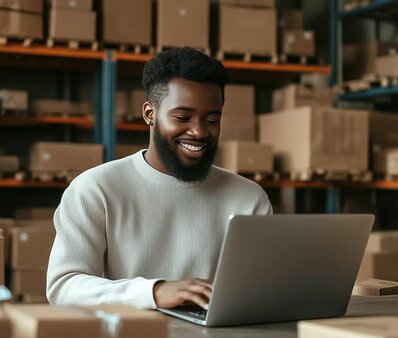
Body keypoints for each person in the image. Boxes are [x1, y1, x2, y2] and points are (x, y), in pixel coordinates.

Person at [46, 47, 272, 310]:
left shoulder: (249, 198)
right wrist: (154, 292)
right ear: (149, 114)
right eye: (182, 117)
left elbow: (262, 289)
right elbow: (63, 287)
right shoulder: (95, 189)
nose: (199, 131)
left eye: (212, 119)